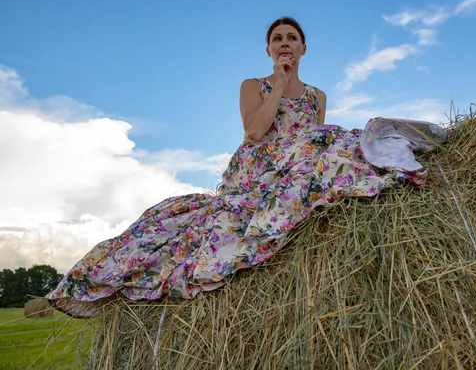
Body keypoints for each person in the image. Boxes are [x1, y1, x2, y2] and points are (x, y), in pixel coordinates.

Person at [46, 17, 447, 318]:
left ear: (305, 48)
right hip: (259, 163)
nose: (285, 44)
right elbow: (254, 131)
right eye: (277, 39)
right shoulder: (253, 84)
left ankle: (400, 151)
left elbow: (317, 138)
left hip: (299, 157)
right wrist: (276, 83)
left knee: (338, 146)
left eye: (292, 38)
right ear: (269, 50)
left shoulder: (317, 95)